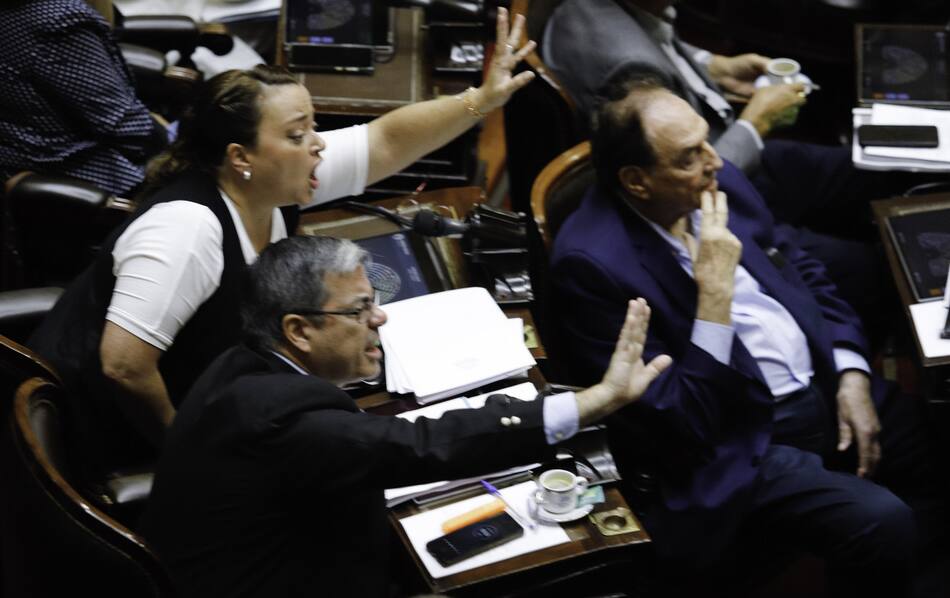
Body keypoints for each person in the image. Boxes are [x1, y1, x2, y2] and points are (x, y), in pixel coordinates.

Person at [28, 9, 538, 483]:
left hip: (217, 393)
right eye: (298, 134)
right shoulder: (186, 229)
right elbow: (123, 365)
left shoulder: (274, 179)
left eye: (313, 126)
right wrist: (186, 453)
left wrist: (482, 99)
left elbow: (384, 142)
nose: (318, 143)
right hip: (105, 437)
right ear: (241, 156)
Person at [549, 81, 946, 596]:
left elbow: (800, 267)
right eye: (689, 156)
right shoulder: (593, 265)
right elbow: (683, 420)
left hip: (824, 384)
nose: (714, 160)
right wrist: (713, 295)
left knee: (941, 444)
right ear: (636, 181)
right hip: (744, 438)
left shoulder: (715, 181)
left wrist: (850, 370)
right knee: (881, 523)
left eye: (706, 140)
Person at [138, 234, 671, 597]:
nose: (380, 318)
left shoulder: (238, 363)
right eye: (358, 310)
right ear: (298, 330)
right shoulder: (289, 424)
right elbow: (422, 445)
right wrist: (591, 403)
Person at [543, 0, 911, 342]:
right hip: (723, 183)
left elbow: (657, 43)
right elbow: (694, 166)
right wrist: (758, 121)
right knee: (877, 267)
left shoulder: (581, 10)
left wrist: (713, 66)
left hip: (725, 156)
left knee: (876, 165)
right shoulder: (632, 69)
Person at [0, 0, 169, 196]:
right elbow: (125, 128)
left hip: (19, 159)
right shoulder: (55, 19)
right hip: (89, 175)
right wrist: (178, 145)